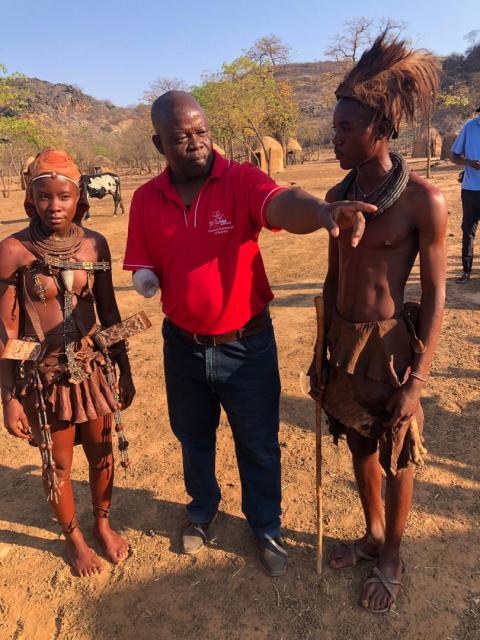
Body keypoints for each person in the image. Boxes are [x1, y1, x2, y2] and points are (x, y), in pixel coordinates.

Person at [123, 90, 376, 577]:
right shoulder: (144, 200)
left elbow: (281, 202)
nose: (196, 143)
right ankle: (201, 509)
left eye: (201, 132)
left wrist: (322, 213)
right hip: (183, 348)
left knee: (258, 443)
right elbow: (142, 261)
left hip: (247, 345)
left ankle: (266, 526)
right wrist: (146, 277)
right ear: (160, 144)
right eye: (181, 137)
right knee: (193, 438)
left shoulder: (239, 180)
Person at [311, 35, 447, 612]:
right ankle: (370, 533)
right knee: (361, 446)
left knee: (397, 452)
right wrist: (322, 350)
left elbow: (438, 295)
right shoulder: (336, 197)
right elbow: (331, 276)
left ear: (380, 130)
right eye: (334, 127)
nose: (334, 137)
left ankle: (392, 553)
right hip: (345, 344)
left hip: (392, 349)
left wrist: (416, 381)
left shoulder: (423, 201)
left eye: (345, 128)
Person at [0, 149, 135, 576]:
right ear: (31, 198)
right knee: (57, 463)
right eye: (44, 196)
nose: (53, 206)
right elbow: (5, 331)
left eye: (63, 196)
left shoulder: (95, 244)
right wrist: (8, 395)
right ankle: (74, 537)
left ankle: (101, 523)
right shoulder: (13, 251)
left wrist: (124, 368)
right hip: (44, 377)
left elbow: (110, 312)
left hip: (92, 369)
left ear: (79, 198)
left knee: (102, 452)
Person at [451, 105, 480, 283]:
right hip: (470, 189)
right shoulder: (469, 127)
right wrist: (469, 163)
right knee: (468, 230)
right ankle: (466, 271)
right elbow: (453, 156)